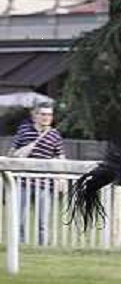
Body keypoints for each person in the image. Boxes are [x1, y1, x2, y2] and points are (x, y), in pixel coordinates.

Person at [8, 102, 66, 245]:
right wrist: (27, 148)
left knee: (43, 221)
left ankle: (43, 248)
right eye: (43, 114)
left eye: (49, 115)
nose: (47, 117)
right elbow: (11, 154)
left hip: (45, 183)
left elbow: (60, 158)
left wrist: (62, 178)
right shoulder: (24, 131)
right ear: (35, 116)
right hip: (23, 182)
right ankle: (19, 246)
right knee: (19, 219)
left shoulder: (55, 135)